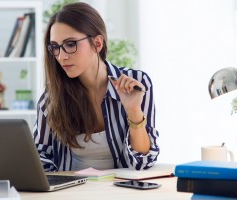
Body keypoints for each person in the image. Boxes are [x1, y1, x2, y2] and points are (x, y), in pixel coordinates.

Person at [33, 2, 159, 172]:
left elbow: (143, 162)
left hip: (121, 191)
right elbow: (40, 155)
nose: (61, 56)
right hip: (71, 192)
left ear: (98, 43)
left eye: (70, 44)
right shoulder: (51, 99)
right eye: (55, 47)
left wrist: (134, 111)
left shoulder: (136, 83)